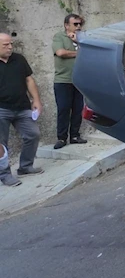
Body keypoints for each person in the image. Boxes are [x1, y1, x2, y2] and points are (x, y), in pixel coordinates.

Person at [0, 33, 44, 187]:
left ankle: (25, 167)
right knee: (1, 145)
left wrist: (36, 100)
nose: (10, 47)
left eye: (11, 44)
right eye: (6, 45)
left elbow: (29, 79)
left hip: (22, 106)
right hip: (1, 109)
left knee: (33, 134)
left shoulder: (19, 59)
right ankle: (4, 175)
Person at [52, 14, 88, 150]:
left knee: (78, 109)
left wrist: (79, 42)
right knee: (63, 109)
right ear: (67, 25)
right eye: (75, 24)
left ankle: (74, 135)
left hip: (79, 80)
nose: (78, 27)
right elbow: (60, 52)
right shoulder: (59, 37)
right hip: (63, 80)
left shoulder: (83, 38)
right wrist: (79, 53)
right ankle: (61, 138)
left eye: (80, 24)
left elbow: (90, 52)